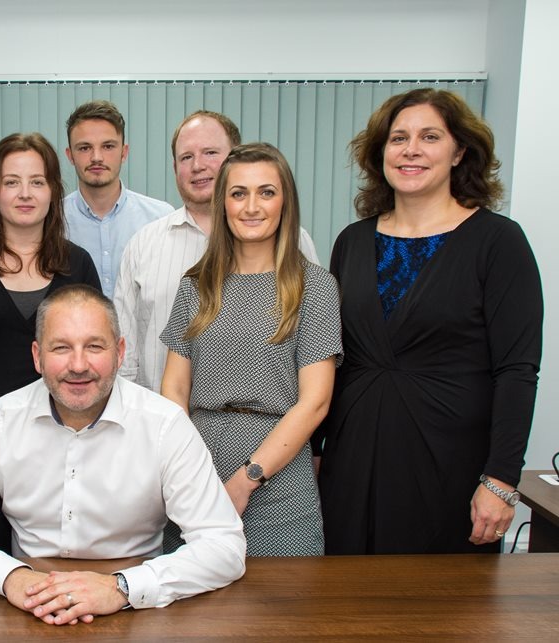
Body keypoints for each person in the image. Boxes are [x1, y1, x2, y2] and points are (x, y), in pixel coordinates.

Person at [0, 285, 246, 626]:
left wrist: (122, 587)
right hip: (28, 604)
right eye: (61, 348)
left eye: (94, 346)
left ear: (120, 352)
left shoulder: (165, 425)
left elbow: (224, 546)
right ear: (37, 356)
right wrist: (11, 577)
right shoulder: (0, 421)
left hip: (137, 610)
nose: (78, 365)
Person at [317, 88, 543, 554]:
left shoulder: (498, 242)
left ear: (459, 151)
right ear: (381, 153)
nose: (411, 149)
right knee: (343, 608)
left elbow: (517, 369)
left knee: (441, 612)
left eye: (430, 136)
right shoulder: (352, 242)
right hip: (355, 456)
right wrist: (316, 454)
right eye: (398, 138)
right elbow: (334, 360)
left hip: (449, 463)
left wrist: (501, 479)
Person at [160, 143, 342, 557]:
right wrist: (191, 473)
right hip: (195, 470)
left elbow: (315, 402)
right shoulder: (196, 285)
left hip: (277, 479)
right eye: (238, 193)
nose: (251, 206)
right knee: (192, 609)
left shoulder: (314, 287)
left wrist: (246, 480)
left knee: (279, 610)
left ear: (285, 203)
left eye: (266, 192)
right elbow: (173, 390)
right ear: (222, 203)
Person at [0, 132, 101, 552]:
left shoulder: (77, 262)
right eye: (12, 182)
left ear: (53, 191)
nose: (25, 193)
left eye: (37, 181)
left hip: (66, 433)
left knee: (62, 551)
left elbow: (95, 353)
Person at [115, 111, 320, 392]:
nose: (198, 165)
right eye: (186, 157)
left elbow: (313, 349)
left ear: (236, 158)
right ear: (174, 167)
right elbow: (125, 355)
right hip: (160, 422)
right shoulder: (143, 245)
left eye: (210, 152)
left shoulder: (294, 242)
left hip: (274, 424)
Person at [62, 100, 174, 296]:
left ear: (124, 152)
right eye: (84, 148)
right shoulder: (52, 221)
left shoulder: (161, 218)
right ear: (70, 155)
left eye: (108, 146)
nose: (97, 157)